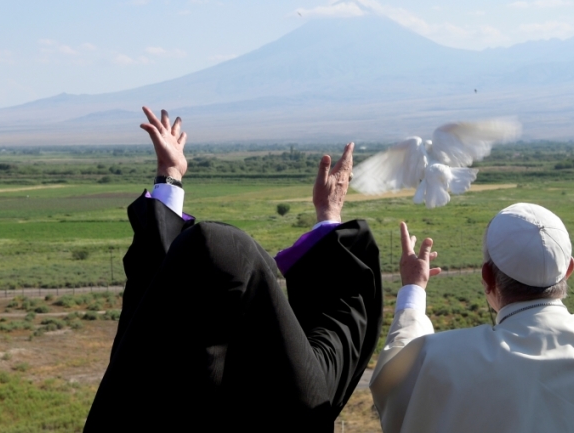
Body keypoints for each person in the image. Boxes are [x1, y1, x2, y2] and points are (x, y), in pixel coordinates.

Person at [84, 107, 383, 432]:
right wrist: (329, 212)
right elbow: (339, 331)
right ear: (259, 297)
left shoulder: (139, 382)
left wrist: (169, 176)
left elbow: (147, 292)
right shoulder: (286, 398)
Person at [370, 203, 574, 433]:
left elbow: (392, 381)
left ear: (487, 276)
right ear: (569, 269)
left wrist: (413, 290)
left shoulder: (445, 360)